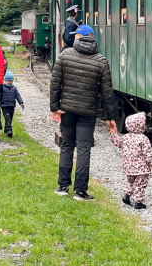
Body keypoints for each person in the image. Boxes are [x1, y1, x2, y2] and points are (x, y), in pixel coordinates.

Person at [50, 24, 116, 201]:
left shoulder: (65, 55)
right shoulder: (101, 61)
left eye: (75, 35)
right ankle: (80, 191)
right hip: (88, 112)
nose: (72, 38)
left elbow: (55, 84)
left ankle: (62, 187)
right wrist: (111, 118)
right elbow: (107, 93)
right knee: (84, 149)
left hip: (67, 110)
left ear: (80, 36)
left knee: (66, 145)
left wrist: (54, 108)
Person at [109, 112, 152, 209]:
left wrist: (113, 133)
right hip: (141, 168)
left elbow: (117, 142)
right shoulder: (143, 139)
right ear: (140, 125)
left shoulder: (125, 137)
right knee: (141, 183)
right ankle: (138, 202)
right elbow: (148, 153)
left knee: (130, 181)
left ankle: (126, 195)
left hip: (129, 167)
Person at [0, 71, 25, 138]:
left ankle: (6, 130)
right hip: (4, 106)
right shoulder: (2, 88)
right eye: (8, 80)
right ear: (5, 80)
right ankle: (9, 131)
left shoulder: (14, 88)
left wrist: (21, 102)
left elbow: (17, 96)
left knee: (10, 119)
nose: (10, 82)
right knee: (7, 118)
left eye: (11, 81)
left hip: (12, 106)